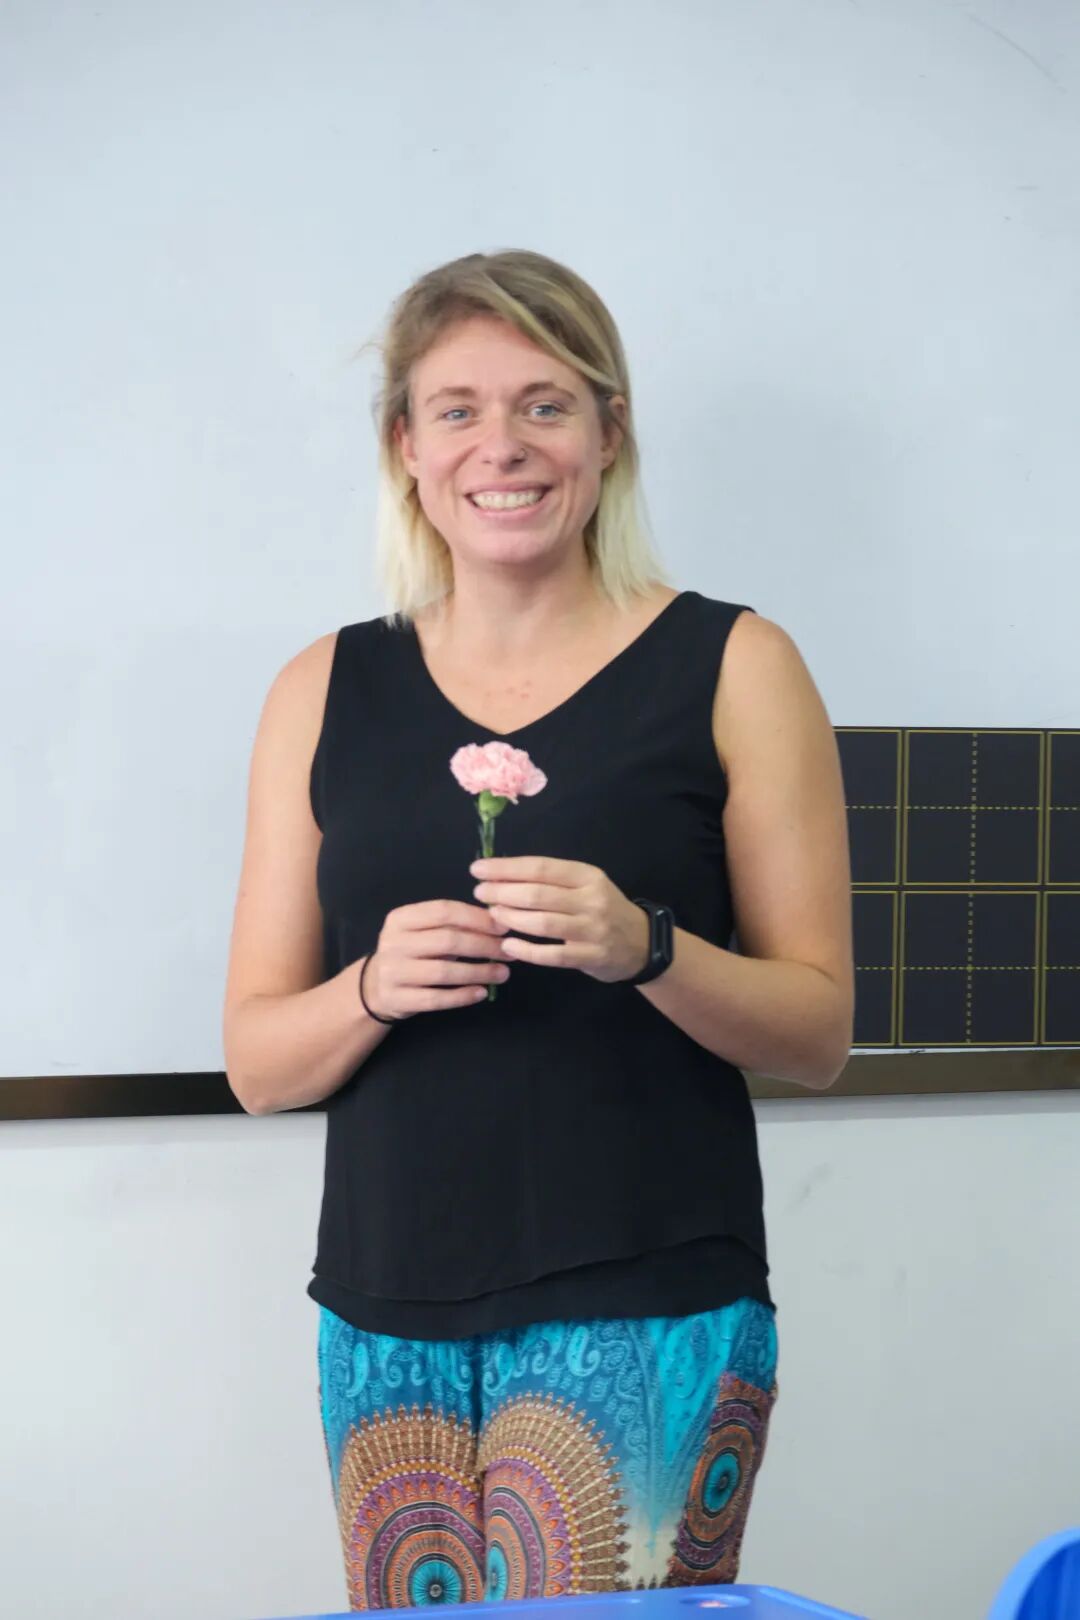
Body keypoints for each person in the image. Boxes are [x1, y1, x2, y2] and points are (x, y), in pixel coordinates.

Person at [223, 249, 854, 1609]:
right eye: (456, 409)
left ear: (609, 433)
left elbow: (817, 1032)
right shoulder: (320, 687)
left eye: (545, 404)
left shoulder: (736, 665)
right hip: (384, 1318)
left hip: (650, 1304)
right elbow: (259, 1065)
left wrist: (650, 948)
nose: (499, 446)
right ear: (405, 448)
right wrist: (370, 987)